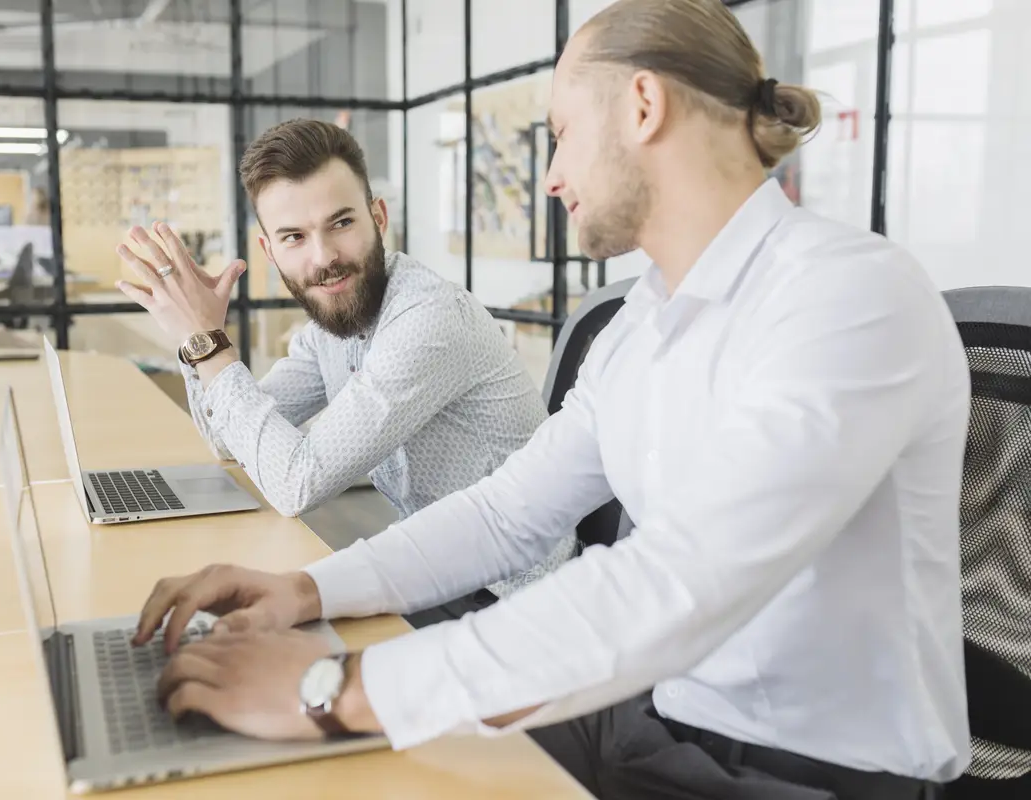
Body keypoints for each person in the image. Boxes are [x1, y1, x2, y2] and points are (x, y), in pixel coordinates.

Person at [131, 1, 973, 798]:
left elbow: (684, 580)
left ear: (642, 106)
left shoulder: (848, 295)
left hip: (804, 770)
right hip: (652, 715)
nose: (551, 178)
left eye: (563, 135)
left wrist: (334, 687)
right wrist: (307, 592)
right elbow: (506, 514)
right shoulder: (646, 319)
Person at [114, 119, 576, 622]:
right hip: (440, 572)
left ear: (377, 217)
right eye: (294, 236)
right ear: (270, 251)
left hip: (521, 601)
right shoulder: (330, 327)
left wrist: (210, 347)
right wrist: (195, 338)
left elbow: (296, 483)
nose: (324, 258)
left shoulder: (428, 320)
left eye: (341, 223)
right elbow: (226, 441)